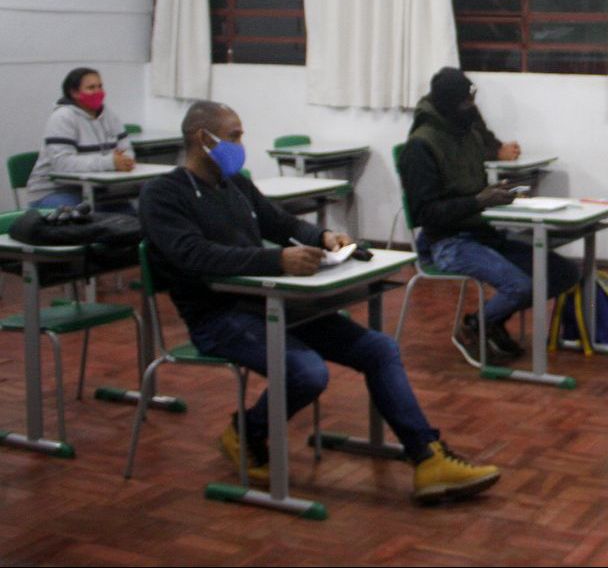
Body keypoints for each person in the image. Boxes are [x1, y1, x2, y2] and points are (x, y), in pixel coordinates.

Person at [139, 100, 499, 504]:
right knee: (307, 372)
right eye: (233, 136)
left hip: (271, 302)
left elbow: (280, 223)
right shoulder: (163, 194)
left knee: (379, 349)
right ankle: (246, 434)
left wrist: (323, 238)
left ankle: (428, 457)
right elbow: (194, 255)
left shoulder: (235, 184)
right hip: (218, 316)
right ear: (200, 137)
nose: (240, 145)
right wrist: (277, 260)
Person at [398, 67, 579, 367]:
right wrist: (478, 201)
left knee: (564, 273)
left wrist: (499, 194)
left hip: (483, 233)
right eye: (465, 102)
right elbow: (424, 213)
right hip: (447, 242)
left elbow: (478, 181)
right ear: (448, 104)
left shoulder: (467, 132)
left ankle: (492, 322)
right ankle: (475, 327)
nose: (472, 107)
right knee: (519, 285)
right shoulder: (420, 146)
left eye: (473, 99)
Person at [27, 67, 137, 209]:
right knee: (86, 216)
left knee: (130, 213)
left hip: (95, 189)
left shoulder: (109, 116)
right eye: (91, 88)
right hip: (55, 191)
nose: (98, 92)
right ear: (74, 92)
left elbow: (126, 149)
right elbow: (63, 163)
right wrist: (110, 162)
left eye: (100, 86)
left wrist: (125, 161)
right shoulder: (62, 117)